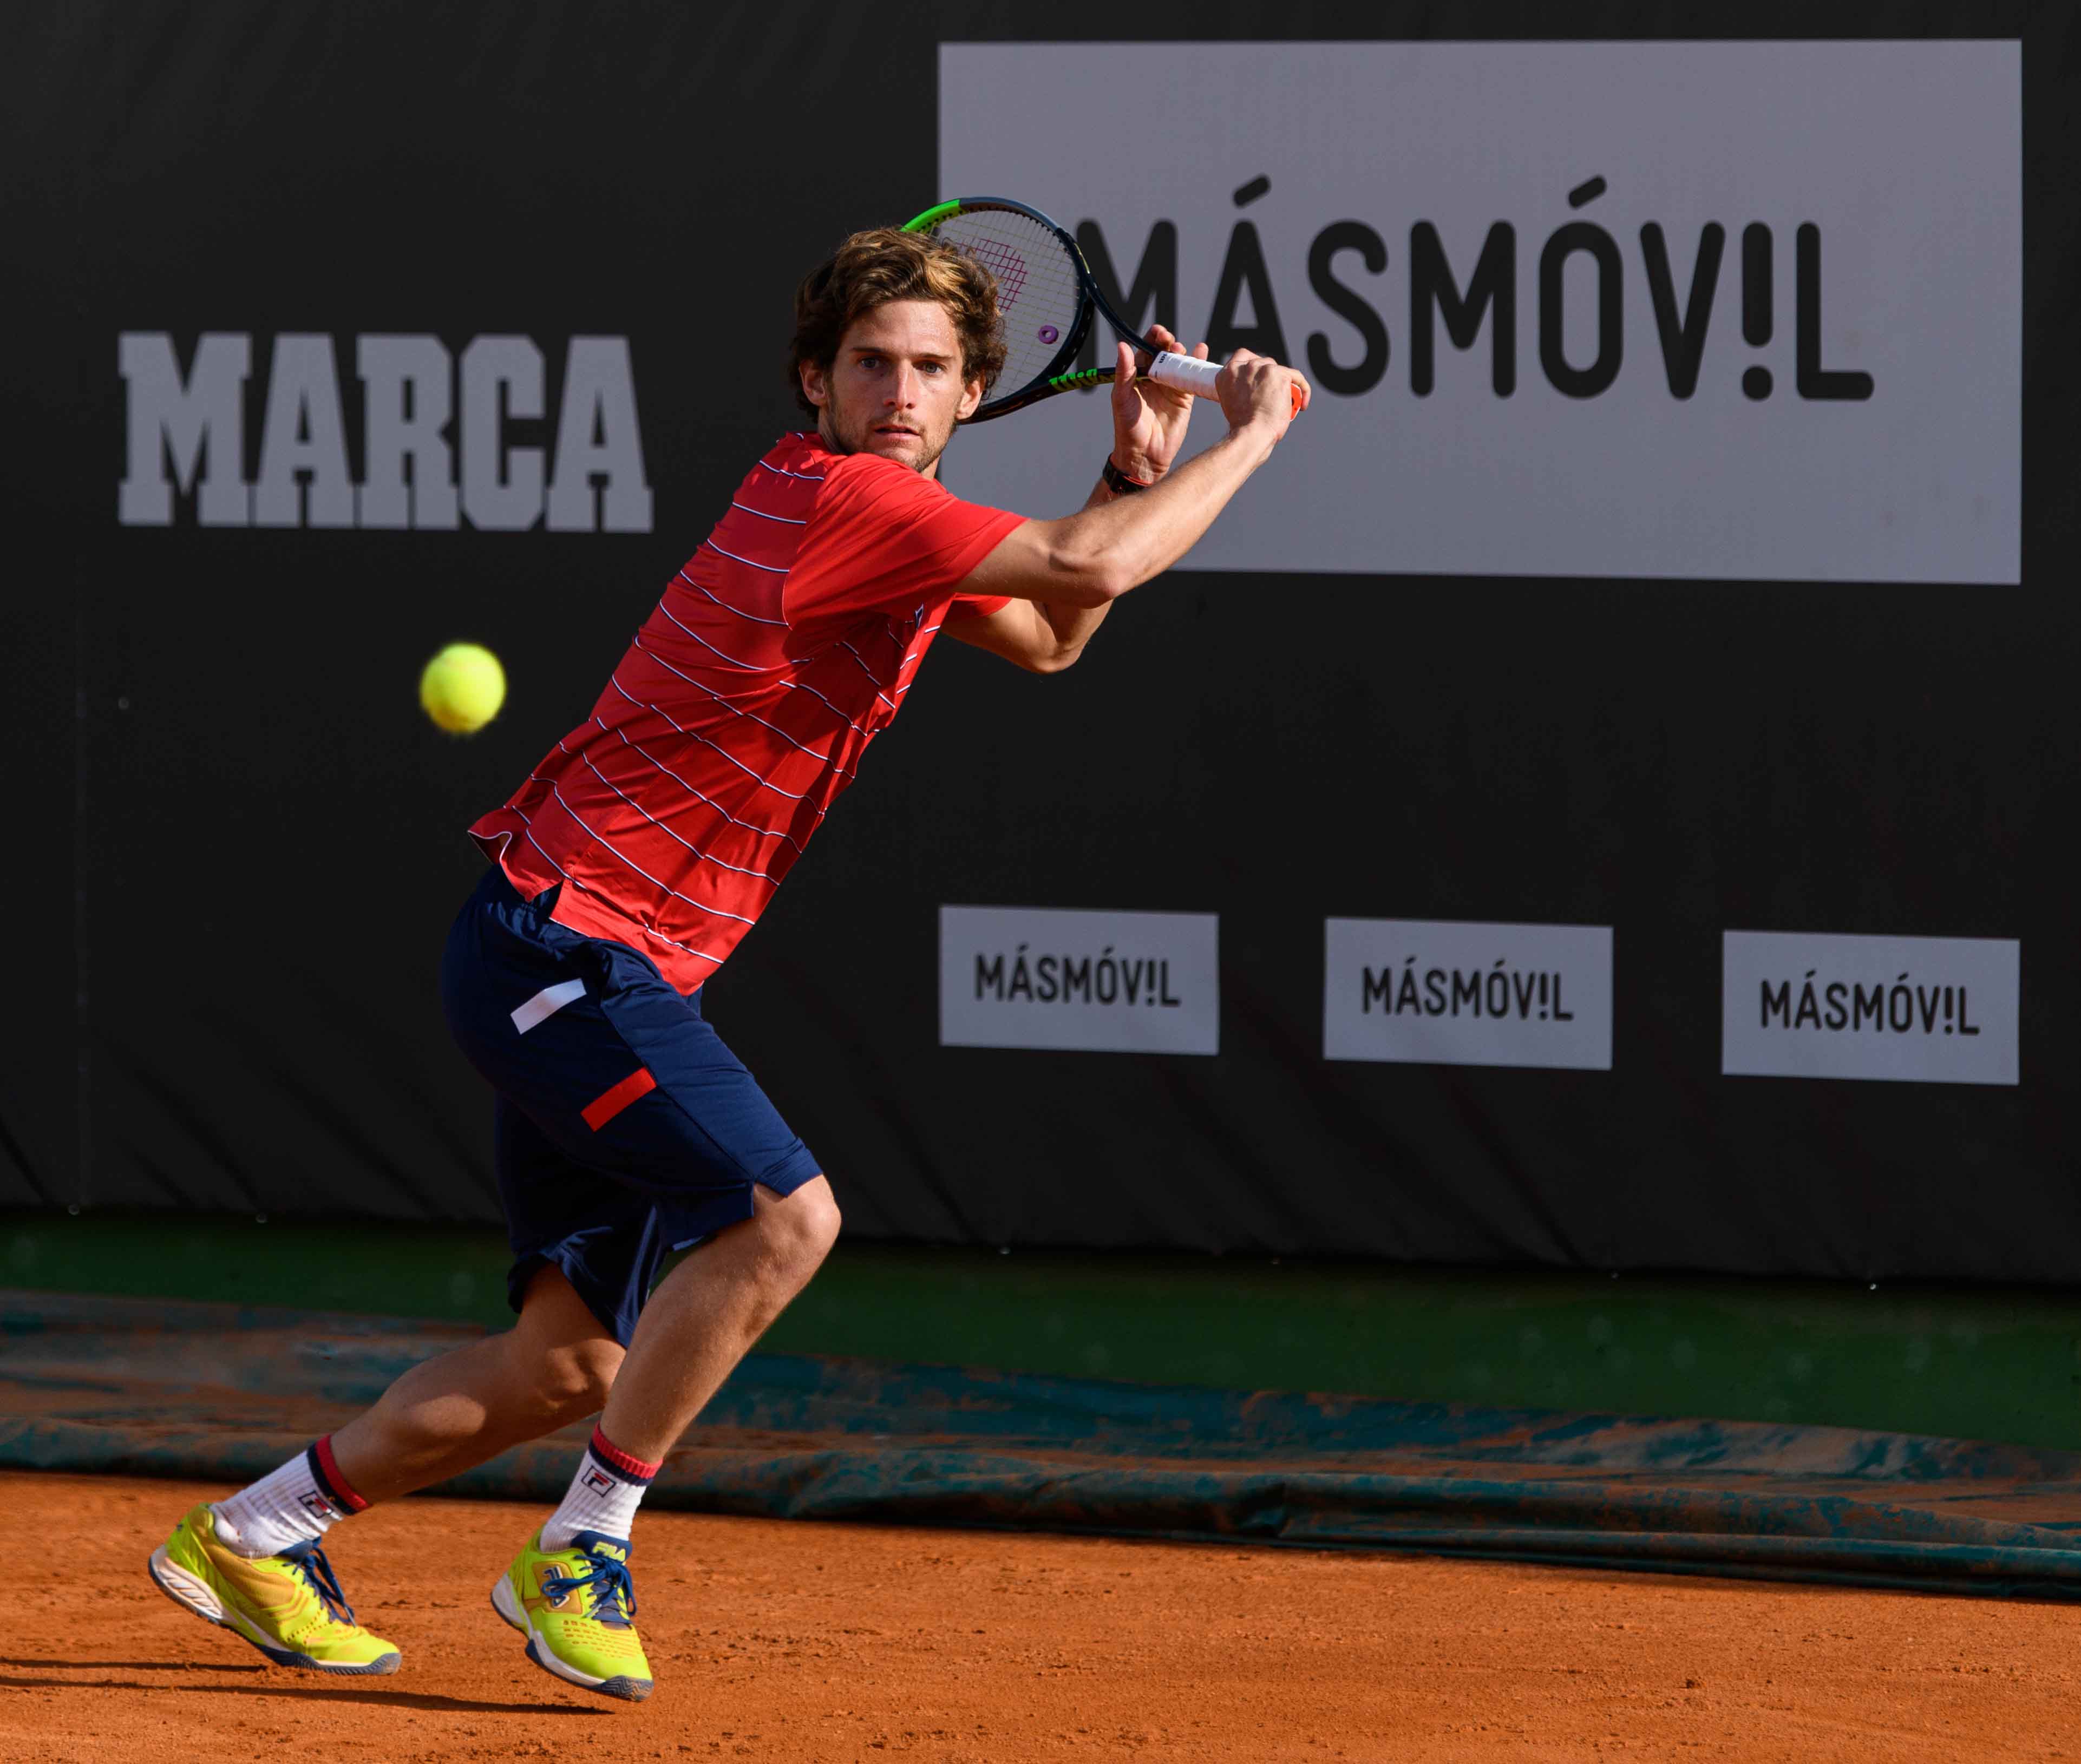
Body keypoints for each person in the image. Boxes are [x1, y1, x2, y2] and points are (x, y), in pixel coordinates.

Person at [146, 226, 1310, 1703]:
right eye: (870, 364)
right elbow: (1090, 572)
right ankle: (584, 1543)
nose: (899, 390)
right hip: (563, 944)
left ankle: (262, 1529)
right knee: (781, 1219)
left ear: (970, 395)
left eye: (931, 370)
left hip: (577, 954)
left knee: (570, 1363)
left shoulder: (892, 517)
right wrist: (1254, 434)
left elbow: (1051, 634)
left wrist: (1139, 462)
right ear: (812, 381)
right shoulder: (845, 499)